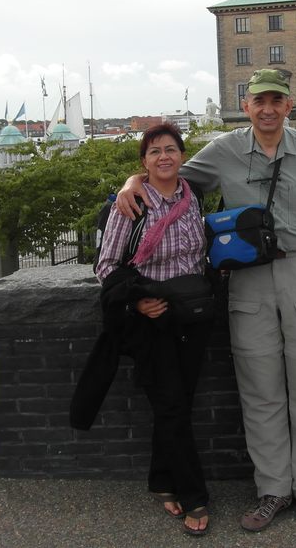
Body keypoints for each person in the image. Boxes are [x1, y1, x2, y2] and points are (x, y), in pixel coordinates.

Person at [116, 69, 296, 535]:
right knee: (259, 394)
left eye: (276, 100)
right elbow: (168, 176)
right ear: (246, 106)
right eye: (259, 101)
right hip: (248, 282)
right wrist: (132, 181)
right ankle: (273, 490)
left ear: (289, 105)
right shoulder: (224, 149)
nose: (267, 109)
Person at [95, 122, 212, 537]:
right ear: (143, 162)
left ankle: (162, 480)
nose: (164, 157)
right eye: (154, 151)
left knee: (179, 403)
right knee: (172, 405)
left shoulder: (193, 197)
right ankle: (194, 495)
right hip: (153, 320)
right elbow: (106, 266)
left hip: (192, 317)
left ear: (182, 155)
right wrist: (136, 302)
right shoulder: (131, 205)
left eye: (171, 149)